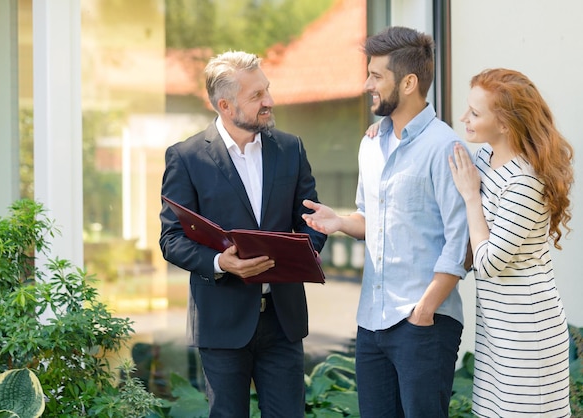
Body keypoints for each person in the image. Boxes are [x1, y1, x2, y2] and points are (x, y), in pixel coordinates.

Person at [302, 26, 470, 417]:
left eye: (376, 75)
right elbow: (371, 218)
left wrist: (423, 311)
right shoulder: (371, 144)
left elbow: (460, 243)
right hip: (372, 323)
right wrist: (342, 222)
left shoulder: (444, 146)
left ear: (408, 82)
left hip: (423, 324)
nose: (366, 85)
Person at [159, 50, 326, 417]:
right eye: (256, 96)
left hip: (283, 320)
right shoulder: (186, 157)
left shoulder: (291, 149)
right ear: (225, 105)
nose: (269, 101)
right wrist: (221, 263)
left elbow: (312, 221)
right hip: (222, 322)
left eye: (266, 90)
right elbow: (171, 239)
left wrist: (299, 258)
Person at [448, 68, 573, 417]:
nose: (464, 118)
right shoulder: (485, 159)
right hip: (496, 330)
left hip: (527, 333)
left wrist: (472, 197)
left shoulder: (524, 182)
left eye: (475, 113)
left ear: (504, 124)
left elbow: (487, 263)